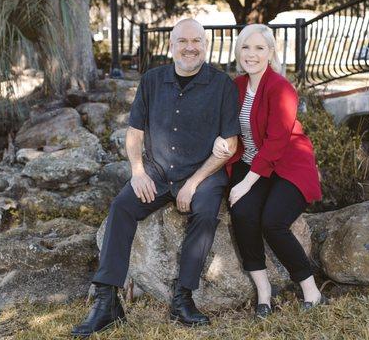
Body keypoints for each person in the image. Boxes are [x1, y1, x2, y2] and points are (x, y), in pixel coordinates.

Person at [71, 18, 241, 337]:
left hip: (204, 173)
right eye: (182, 41)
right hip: (157, 172)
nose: (190, 47)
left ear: (205, 45)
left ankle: (183, 299)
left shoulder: (222, 85)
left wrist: (192, 183)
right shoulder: (151, 80)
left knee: (205, 213)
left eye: (196, 42)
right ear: (172, 45)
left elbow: (230, 145)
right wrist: (137, 172)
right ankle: (107, 302)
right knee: (121, 207)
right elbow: (134, 133)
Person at [213, 24, 326, 319]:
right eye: (246, 47)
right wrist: (220, 140)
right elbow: (224, 124)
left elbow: (276, 143)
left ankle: (311, 291)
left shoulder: (281, 88)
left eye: (259, 48)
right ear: (238, 51)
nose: (251, 54)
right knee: (243, 214)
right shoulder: (236, 86)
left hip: (287, 165)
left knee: (273, 221)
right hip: (250, 163)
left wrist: (244, 184)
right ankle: (264, 293)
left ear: (271, 54)